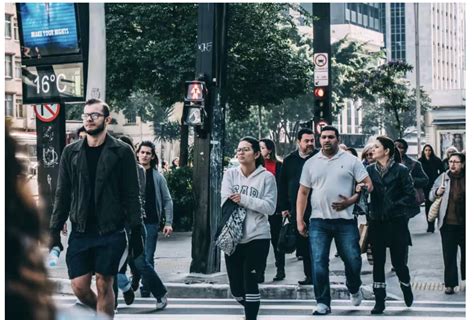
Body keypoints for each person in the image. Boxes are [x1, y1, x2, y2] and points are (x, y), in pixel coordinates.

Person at [49, 98, 144, 318]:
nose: (89, 120)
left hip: (111, 230)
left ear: (107, 119)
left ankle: (105, 314)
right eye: (85, 115)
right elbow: (62, 194)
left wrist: (137, 230)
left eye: (94, 115)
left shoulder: (122, 152)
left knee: (104, 282)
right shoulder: (70, 153)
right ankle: (102, 313)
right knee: (80, 287)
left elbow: (132, 194)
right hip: (81, 231)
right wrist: (54, 230)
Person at [296, 126, 373, 315]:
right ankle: (322, 302)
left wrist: (352, 199)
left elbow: (368, 185)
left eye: (331, 137)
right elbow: (303, 192)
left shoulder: (351, 161)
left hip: (345, 221)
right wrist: (299, 220)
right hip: (318, 222)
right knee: (319, 262)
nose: (327, 140)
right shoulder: (311, 163)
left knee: (353, 260)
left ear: (338, 139)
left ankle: (354, 287)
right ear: (319, 140)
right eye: (323, 137)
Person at [221, 136, 277, 320]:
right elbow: (226, 201)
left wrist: (244, 199)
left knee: (250, 281)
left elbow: (270, 207)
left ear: (256, 153)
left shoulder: (267, 177)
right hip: (233, 237)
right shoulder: (230, 174)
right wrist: (246, 201)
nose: (241, 152)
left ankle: (251, 315)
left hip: (258, 236)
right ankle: (251, 304)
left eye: (245, 149)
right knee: (236, 289)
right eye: (239, 149)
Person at [365, 136, 417, 314]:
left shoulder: (401, 170)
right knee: (378, 263)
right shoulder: (369, 170)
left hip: (396, 222)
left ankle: (406, 285)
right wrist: (361, 192)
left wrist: (394, 205)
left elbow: (411, 196)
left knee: (398, 262)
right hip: (376, 222)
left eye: (376, 147)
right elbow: (364, 194)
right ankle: (380, 300)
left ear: (386, 151)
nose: (373, 149)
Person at [278, 128, 317, 286]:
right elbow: (283, 184)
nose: (309, 144)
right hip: (297, 209)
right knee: (303, 245)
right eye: (306, 141)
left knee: (317, 245)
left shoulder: (319, 158)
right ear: (298, 142)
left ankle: (317, 275)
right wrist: (284, 207)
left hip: (317, 207)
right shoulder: (289, 160)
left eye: (312, 140)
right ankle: (309, 275)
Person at [136, 141, 173, 302]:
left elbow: (167, 200)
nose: (144, 155)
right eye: (142, 152)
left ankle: (146, 286)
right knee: (134, 256)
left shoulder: (158, 177)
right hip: (132, 223)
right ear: (137, 153)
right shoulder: (131, 173)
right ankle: (135, 280)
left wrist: (168, 222)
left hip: (150, 222)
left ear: (152, 156)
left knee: (148, 256)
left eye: (148, 153)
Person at [429, 152, 465, 295]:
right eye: (450, 161)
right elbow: (431, 195)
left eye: (456, 162)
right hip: (448, 223)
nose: (452, 164)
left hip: (465, 224)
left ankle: (467, 279)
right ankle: (450, 284)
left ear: (462, 164)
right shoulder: (443, 177)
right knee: (449, 254)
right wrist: (438, 191)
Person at [258, 138, 285, 282]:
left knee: (276, 241)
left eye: (262, 147)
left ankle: (280, 269)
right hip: (258, 209)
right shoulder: (256, 166)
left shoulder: (279, 165)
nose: (260, 150)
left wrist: (283, 208)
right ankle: (259, 272)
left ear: (269, 149)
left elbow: (282, 188)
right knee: (260, 242)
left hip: (275, 209)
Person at [418, 144, 444, 232]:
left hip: (435, 185)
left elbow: (442, 172)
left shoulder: (436, 160)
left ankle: (436, 223)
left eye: (429, 150)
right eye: (426, 150)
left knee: (436, 204)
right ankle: (430, 225)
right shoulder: (420, 161)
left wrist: (439, 180)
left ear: (432, 151)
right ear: (423, 151)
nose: (428, 152)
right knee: (428, 205)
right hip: (425, 186)